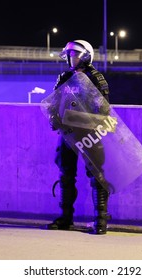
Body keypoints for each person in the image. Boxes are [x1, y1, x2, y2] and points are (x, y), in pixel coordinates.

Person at [46, 40, 111, 235]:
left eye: (74, 54)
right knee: (66, 175)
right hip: (68, 134)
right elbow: (54, 102)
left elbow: (104, 109)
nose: (70, 58)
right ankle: (66, 218)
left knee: (97, 176)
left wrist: (84, 119)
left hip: (90, 133)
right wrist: (53, 116)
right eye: (69, 55)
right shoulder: (64, 77)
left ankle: (100, 220)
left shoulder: (96, 78)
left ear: (85, 55)